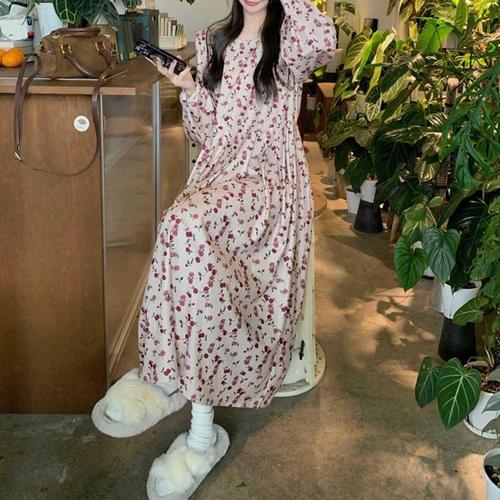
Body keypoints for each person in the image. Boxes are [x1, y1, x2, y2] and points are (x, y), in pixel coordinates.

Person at [92, 1, 335, 498]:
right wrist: (189, 88)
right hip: (221, 173)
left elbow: (324, 39)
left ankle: (202, 434)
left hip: (272, 181)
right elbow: (209, 133)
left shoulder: (289, 38)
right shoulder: (211, 41)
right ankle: (167, 378)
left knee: (187, 227)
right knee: (180, 232)